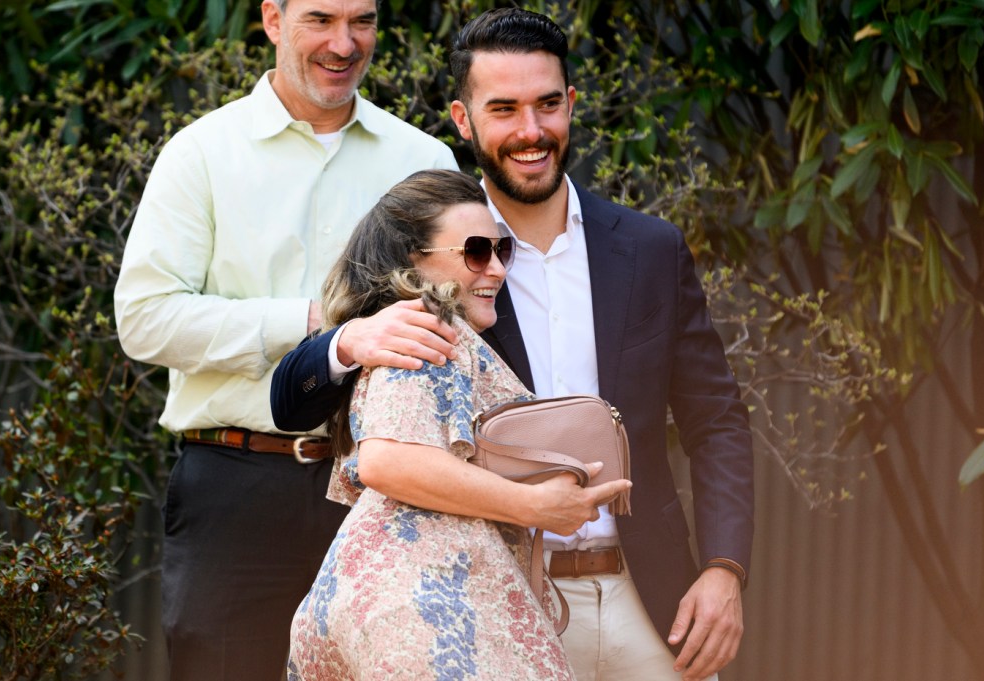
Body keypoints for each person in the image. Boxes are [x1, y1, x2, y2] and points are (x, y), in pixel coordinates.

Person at [271, 8, 754, 681]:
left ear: (571, 106)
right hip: (496, 600)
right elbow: (291, 396)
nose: (531, 130)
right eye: (504, 108)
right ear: (464, 120)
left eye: (547, 104)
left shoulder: (651, 249)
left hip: (651, 596)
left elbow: (718, 421)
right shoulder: (445, 261)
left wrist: (725, 569)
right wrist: (351, 337)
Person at [112, 0, 460, 677]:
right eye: (321, 19)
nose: (344, 43)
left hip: (381, 489)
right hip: (235, 487)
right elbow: (145, 317)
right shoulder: (201, 154)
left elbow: (457, 321)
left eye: (362, 20)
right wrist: (312, 322)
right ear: (272, 19)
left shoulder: (423, 161)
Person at [285, 169, 631, 680]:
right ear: (414, 260)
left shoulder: (407, 331)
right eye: (475, 252)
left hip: (392, 604)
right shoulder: (429, 328)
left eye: (502, 251)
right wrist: (535, 505)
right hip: (425, 613)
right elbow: (388, 460)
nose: (495, 269)